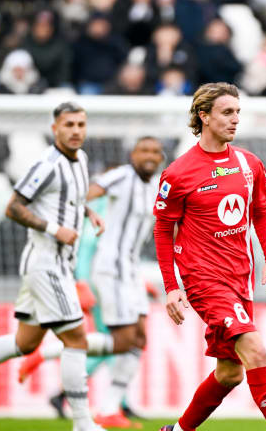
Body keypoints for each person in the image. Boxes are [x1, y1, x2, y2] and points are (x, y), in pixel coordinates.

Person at [0, 102, 107, 431]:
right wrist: (55, 230)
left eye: (81, 124)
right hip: (45, 263)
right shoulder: (46, 164)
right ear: (55, 128)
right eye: (68, 124)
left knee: (24, 343)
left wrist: (88, 213)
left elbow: (71, 201)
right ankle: (83, 424)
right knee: (78, 340)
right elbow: (13, 207)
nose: (75, 130)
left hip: (57, 265)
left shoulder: (81, 160)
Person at [153, 83, 266, 431]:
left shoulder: (249, 164)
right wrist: (172, 287)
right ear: (204, 116)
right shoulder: (179, 174)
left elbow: (259, 211)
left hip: (240, 279)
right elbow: (161, 231)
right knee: (256, 351)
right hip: (203, 280)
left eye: (238, 113)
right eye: (227, 112)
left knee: (230, 373)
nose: (235, 120)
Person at [18, 137, 165, 429]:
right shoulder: (120, 176)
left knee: (139, 340)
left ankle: (110, 408)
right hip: (109, 269)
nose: (149, 156)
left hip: (131, 270)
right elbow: (82, 195)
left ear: (161, 157)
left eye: (155, 152)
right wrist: (84, 214)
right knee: (123, 340)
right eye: (143, 150)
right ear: (132, 154)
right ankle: (43, 354)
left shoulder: (157, 185)